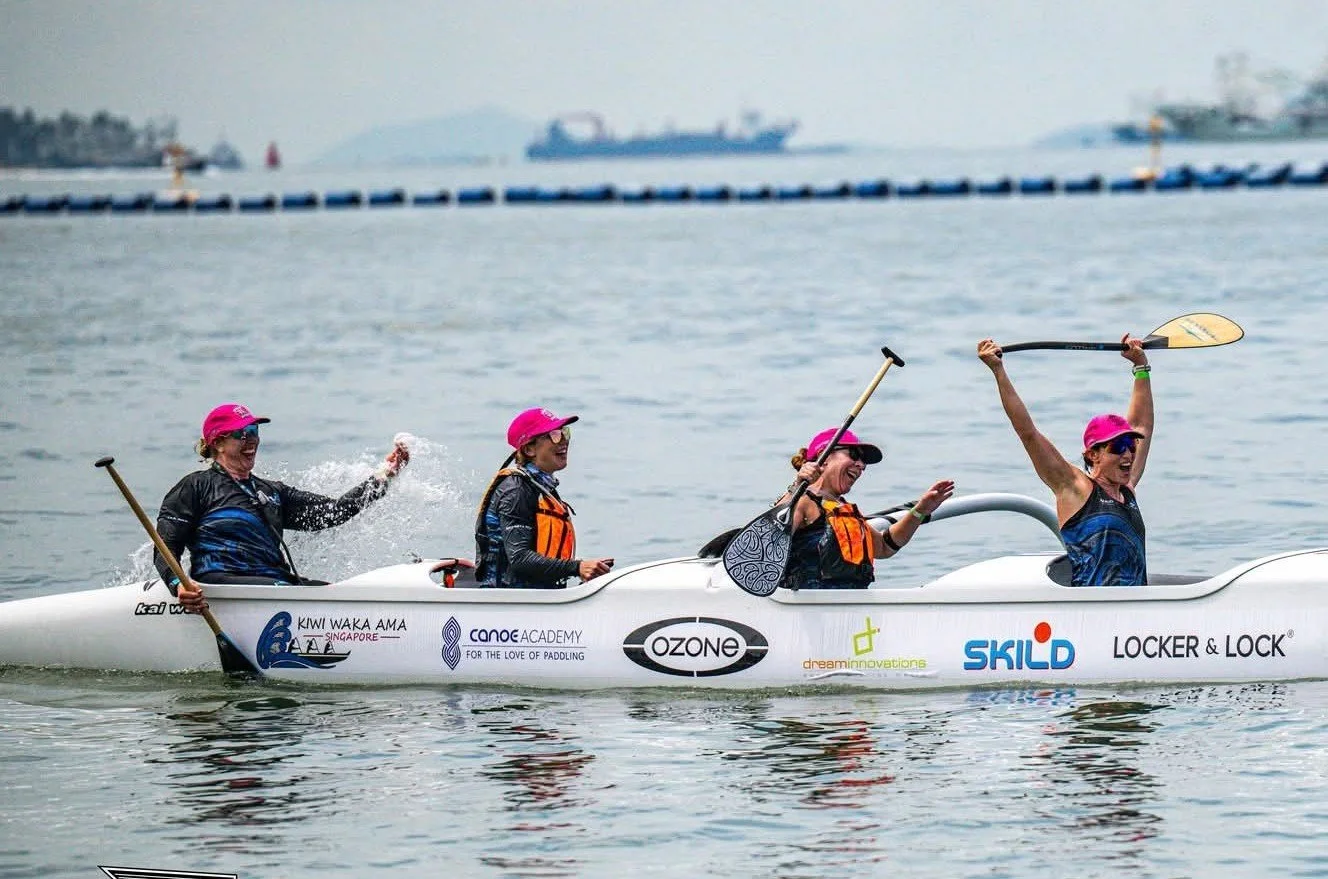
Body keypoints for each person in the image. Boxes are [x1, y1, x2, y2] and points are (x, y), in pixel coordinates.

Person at [156, 402, 409, 609]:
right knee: (299, 591)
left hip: (274, 583)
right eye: (242, 434)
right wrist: (179, 585)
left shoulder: (271, 491)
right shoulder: (195, 487)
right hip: (223, 583)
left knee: (341, 593)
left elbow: (334, 511)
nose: (251, 441)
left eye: (255, 432)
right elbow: (165, 546)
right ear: (218, 443)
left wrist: (385, 475)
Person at [977, 335, 1154, 587]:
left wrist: (1140, 367)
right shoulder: (1074, 487)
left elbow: (1140, 425)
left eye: (1131, 445)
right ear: (1093, 454)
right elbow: (1027, 433)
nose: (1127, 454)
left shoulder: (1127, 488)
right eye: (1117, 447)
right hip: (1090, 611)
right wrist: (998, 370)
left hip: (1134, 612)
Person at [780, 427, 955, 590]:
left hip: (852, 607)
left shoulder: (844, 511)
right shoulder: (802, 501)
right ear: (824, 458)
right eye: (854, 455)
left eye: (864, 461)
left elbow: (885, 546)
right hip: (808, 610)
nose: (861, 465)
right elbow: (768, 541)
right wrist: (797, 486)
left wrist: (920, 511)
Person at [473, 407, 614, 589]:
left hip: (534, 596)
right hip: (508, 600)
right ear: (530, 449)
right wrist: (578, 567)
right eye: (554, 435)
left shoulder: (539, 487)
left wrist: (586, 569)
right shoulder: (516, 491)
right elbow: (519, 558)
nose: (563, 440)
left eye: (565, 432)